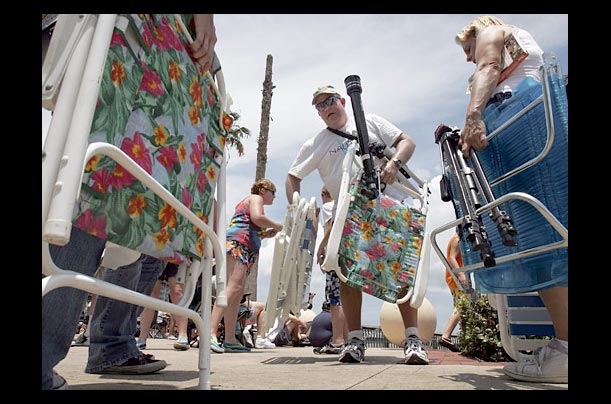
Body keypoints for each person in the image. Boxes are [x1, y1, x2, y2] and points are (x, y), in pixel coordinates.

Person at [42, 13, 219, 389]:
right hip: (127, 35)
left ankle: (112, 344)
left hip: (165, 50)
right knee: (93, 186)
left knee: (144, 209)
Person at [454, 15, 568, 383]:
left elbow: (488, 65)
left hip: (524, 130)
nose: (469, 59)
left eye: (467, 50)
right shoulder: (524, 47)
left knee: (539, 241)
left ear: (475, 32)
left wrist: (473, 117)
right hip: (535, 125)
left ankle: (565, 350)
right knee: (551, 235)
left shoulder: (492, 32)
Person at [285, 85, 429, 365]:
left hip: (388, 206)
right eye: (319, 106)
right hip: (348, 215)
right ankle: (354, 341)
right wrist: (298, 211)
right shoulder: (316, 143)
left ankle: (413, 339)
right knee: (347, 275)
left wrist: (394, 165)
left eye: (329, 101)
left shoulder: (370, 121)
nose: (326, 108)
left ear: (341, 101)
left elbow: (407, 142)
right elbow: (293, 178)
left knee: (401, 272)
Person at [209, 179, 283, 353]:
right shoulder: (255, 198)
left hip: (243, 245)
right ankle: (211, 331)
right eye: (273, 193)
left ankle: (229, 338)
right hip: (238, 244)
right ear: (264, 190)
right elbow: (257, 218)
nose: (274, 197)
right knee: (232, 288)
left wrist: (264, 234)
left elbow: (251, 224)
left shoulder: (250, 202)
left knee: (236, 292)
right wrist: (276, 225)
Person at [314, 186, 348, 354]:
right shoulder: (343, 205)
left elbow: (331, 227)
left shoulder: (329, 207)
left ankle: (338, 340)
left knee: (335, 300)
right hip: (348, 255)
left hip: (335, 255)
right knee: (347, 298)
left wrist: (321, 249)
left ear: (323, 195)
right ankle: (349, 339)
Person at [137, 263, 190, 351]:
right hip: (158, 252)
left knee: (177, 292)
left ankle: (183, 334)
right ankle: (142, 337)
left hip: (179, 252)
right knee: (151, 293)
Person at [439, 227, 465, 352]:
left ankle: (449, 336)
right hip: (456, 277)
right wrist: (461, 275)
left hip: (454, 277)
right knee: (462, 305)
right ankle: (446, 335)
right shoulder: (457, 239)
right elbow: (451, 258)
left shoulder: (457, 239)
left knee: (461, 306)